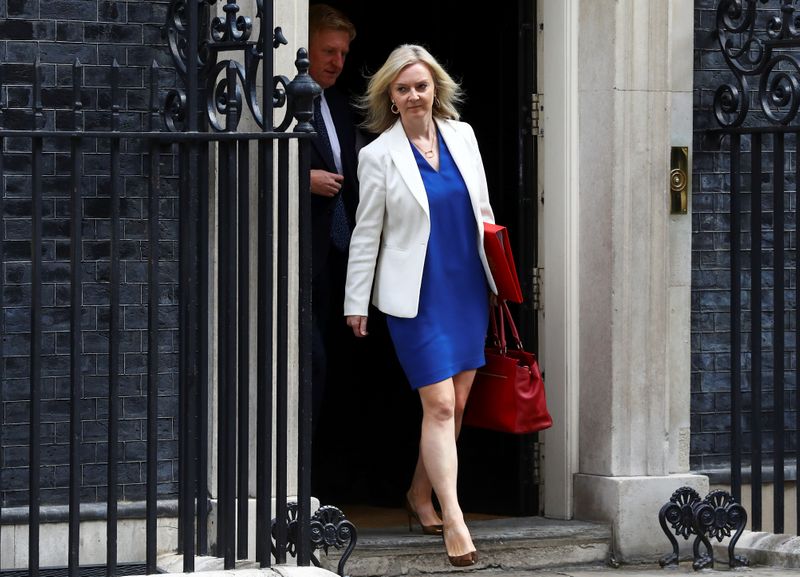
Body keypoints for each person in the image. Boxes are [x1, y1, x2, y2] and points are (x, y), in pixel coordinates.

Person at [344, 44, 498, 568]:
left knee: (454, 407)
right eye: (403, 88)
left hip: (467, 286)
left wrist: (500, 278)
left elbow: (484, 210)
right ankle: (454, 520)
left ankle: (418, 494)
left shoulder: (464, 136)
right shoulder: (377, 155)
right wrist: (356, 299)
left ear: (436, 89)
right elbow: (367, 233)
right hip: (416, 295)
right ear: (391, 96)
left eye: (421, 86)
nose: (414, 95)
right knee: (438, 405)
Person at [307, 3, 359, 433]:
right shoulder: (282, 100)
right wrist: (302, 179)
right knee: (311, 362)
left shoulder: (340, 106)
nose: (337, 62)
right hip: (301, 256)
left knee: (331, 367)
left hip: (340, 258)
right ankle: (292, 473)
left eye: (342, 53)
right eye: (328, 51)